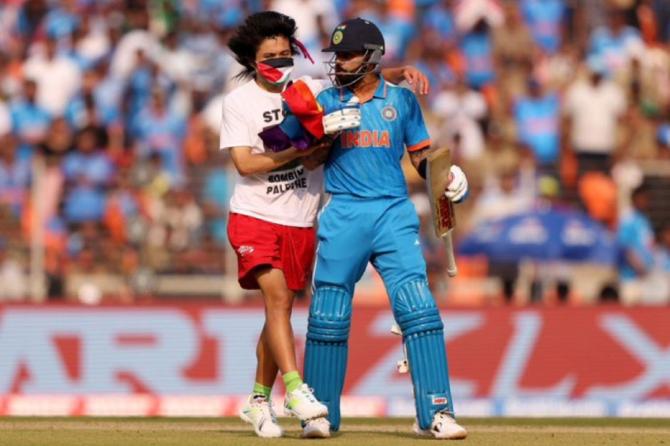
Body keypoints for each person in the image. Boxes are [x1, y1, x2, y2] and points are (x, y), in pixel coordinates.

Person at [219, 11, 431, 439]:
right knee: (277, 299)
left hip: (301, 218)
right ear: (251, 60)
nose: (280, 63)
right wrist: (303, 148)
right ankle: (295, 390)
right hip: (255, 215)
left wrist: (400, 71)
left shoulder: (312, 90)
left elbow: (360, 74)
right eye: (269, 57)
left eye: (285, 55)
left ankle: (259, 399)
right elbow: (245, 163)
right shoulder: (238, 102)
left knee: (277, 311)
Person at [301, 18, 468, 440]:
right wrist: (323, 135)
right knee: (327, 315)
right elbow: (309, 162)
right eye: (336, 55)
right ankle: (319, 413)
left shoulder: (402, 102)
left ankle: (437, 412)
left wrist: (447, 177)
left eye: (348, 54)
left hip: (393, 212)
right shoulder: (323, 100)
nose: (339, 62)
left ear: (372, 57)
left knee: (419, 308)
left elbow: (422, 158)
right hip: (343, 212)